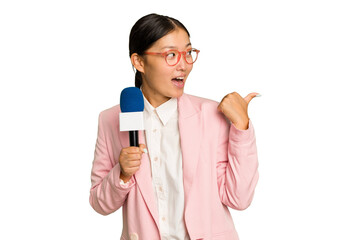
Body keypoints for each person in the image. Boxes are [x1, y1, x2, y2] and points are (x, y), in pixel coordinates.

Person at [89, 13, 260, 240]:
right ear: (139, 62)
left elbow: (239, 198)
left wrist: (242, 126)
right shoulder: (111, 119)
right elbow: (100, 204)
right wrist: (121, 174)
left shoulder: (212, 115)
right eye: (171, 55)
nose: (184, 65)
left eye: (188, 53)